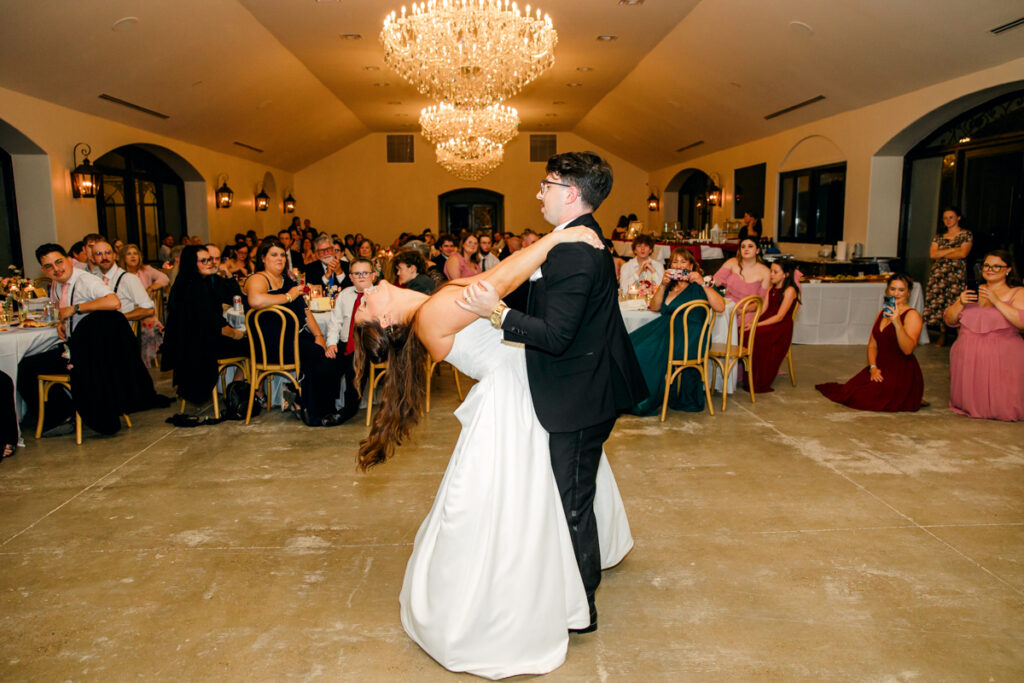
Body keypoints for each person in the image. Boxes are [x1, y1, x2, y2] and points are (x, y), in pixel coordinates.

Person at [353, 224, 634, 679]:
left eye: (364, 297)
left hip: (524, 384)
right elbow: (499, 282)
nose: (365, 293)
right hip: (515, 397)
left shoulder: (430, 308)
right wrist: (558, 238)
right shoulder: (431, 316)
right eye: (366, 305)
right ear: (386, 323)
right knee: (519, 502)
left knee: (548, 488)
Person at [459, 151, 648, 639]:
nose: (538, 193)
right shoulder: (572, 239)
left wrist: (495, 313)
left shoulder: (573, 250)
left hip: (579, 395)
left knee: (571, 504)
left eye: (546, 185)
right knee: (573, 494)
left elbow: (558, 334)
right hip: (581, 384)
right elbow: (544, 297)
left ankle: (582, 607)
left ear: (570, 193)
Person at [246, 239, 344, 426]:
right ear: (263, 258)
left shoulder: (286, 280)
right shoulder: (258, 278)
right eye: (274, 255)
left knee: (331, 353)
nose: (280, 258)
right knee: (317, 355)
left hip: (295, 339)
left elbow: (305, 311)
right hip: (271, 344)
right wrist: (289, 296)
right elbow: (255, 301)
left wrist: (319, 336)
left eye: (282, 255)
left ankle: (317, 405)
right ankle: (310, 409)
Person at [628, 248, 725, 415]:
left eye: (683, 261)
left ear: (692, 265)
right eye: (675, 262)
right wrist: (663, 285)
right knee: (629, 343)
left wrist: (702, 282)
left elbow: (720, 306)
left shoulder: (703, 284)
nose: (679, 265)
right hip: (665, 329)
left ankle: (643, 400)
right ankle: (629, 395)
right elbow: (654, 307)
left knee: (643, 350)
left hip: (689, 337)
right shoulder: (670, 286)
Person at [817, 273, 924, 412]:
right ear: (887, 291)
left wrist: (897, 324)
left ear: (908, 293)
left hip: (900, 371)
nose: (896, 293)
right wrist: (873, 367)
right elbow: (873, 344)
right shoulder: (882, 313)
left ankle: (909, 394)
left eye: (901, 290)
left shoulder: (912, 315)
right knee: (849, 391)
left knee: (865, 399)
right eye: (893, 289)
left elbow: (908, 350)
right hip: (880, 366)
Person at [160, 246, 249, 409]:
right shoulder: (196, 287)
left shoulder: (184, 283)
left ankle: (234, 388)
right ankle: (236, 389)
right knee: (252, 344)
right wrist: (238, 334)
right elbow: (214, 325)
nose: (210, 263)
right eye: (204, 261)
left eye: (210, 259)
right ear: (191, 263)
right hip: (201, 350)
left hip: (190, 348)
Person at [944, 250, 1024, 421]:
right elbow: (950, 321)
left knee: (1001, 402)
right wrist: (960, 303)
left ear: (1008, 269)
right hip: (967, 351)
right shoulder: (972, 290)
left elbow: (1021, 322)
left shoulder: (1017, 292)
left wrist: (996, 301)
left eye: (997, 266)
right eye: (987, 265)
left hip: (1002, 354)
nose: (990, 269)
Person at [324, 259, 377, 423]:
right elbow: (335, 322)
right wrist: (331, 343)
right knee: (325, 366)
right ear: (351, 277)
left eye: (365, 273)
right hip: (346, 343)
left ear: (373, 276)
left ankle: (348, 410)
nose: (361, 277)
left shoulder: (381, 296)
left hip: (368, 346)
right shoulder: (344, 295)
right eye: (356, 273)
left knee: (354, 370)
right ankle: (325, 407)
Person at [743, 259, 799, 394]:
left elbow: (780, 316)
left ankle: (760, 379)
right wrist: (751, 322)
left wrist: (756, 325)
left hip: (780, 326)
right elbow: (763, 310)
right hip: (768, 320)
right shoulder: (771, 288)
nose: (772, 275)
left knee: (755, 335)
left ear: (785, 274)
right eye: (771, 271)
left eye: (775, 272)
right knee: (743, 332)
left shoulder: (790, 290)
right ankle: (750, 377)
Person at [924, 206, 973, 345]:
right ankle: (943, 334)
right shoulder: (939, 236)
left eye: (951, 217)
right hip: (938, 274)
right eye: (945, 217)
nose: (948, 220)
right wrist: (954, 249)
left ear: (958, 218)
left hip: (956, 275)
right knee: (940, 303)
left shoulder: (966, 234)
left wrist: (943, 250)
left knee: (955, 302)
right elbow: (933, 254)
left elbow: (963, 253)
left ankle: (959, 336)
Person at [91, 240, 155, 325]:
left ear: (114, 255)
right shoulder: (93, 279)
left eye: (107, 253)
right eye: (99, 254)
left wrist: (119, 318)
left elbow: (148, 310)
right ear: (92, 258)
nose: (104, 257)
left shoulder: (128, 278)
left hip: (121, 332)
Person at [713, 237, 770, 304]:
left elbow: (762, 301)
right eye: (743, 247)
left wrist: (740, 311)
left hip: (749, 310)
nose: (746, 249)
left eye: (750, 246)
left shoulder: (766, 272)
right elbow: (716, 281)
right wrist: (703, 282)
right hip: (727, 306)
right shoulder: (731, 262)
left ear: (757, 250)